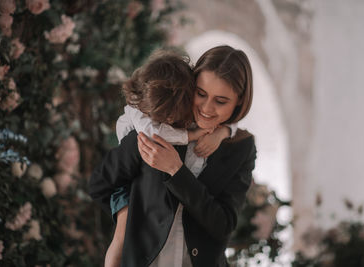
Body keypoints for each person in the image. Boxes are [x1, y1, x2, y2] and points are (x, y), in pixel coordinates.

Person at [89, 45, 256, 267]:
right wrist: (125, 217)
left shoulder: (241, 147)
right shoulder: (159, 125)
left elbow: (223, 224)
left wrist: (176, 171)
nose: (206, 108)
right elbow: (101, 183)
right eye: (201, 93)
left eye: (221, 101)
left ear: (239, 102)